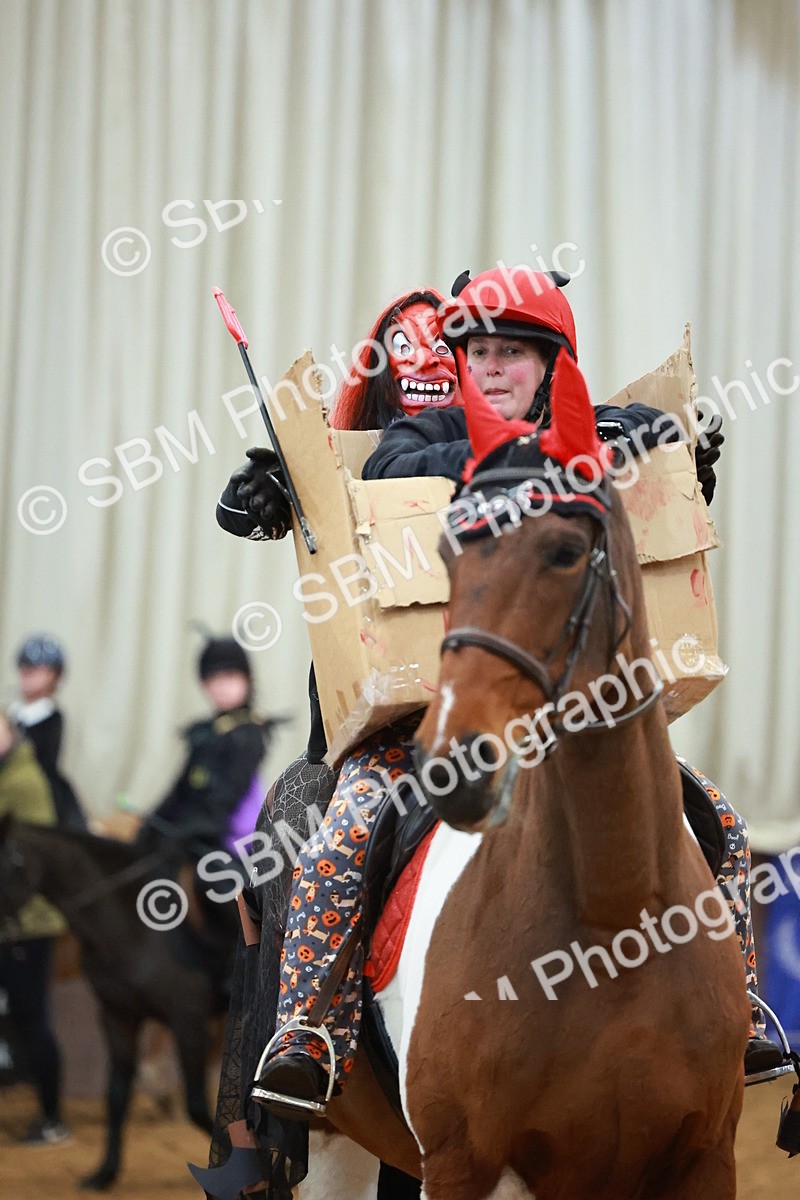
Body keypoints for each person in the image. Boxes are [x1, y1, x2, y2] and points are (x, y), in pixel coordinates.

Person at [250, 267, 778, 1122]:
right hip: (439, 716)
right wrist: (519, 456)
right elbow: (394, 462)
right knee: (347, 826)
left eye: (512, 354)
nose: (491, 369)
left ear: (554, 362)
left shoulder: (605, 426)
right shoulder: (422, 435)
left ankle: (740, 1009)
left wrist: (673, 445)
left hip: (580, 719)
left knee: (716, 815)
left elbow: (652, 429)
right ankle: (309, 1023)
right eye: (478, 353)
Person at [203, 290, 459, 1199]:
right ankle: (304, 1040)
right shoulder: (350, 461)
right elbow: (257, 510)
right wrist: (272, 487)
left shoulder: (518, 455)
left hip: (510, 722)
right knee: (309, 826)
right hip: (379, 741)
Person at [137, 635, 276, 869]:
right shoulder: (204, 733)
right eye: (213, 679)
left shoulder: (250, 733)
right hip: (197, 829)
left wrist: (189, 831)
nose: (221, 687)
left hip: (235, 839)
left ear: (247, 679)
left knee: (211, 883)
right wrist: (155, 822)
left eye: (229, 677)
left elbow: (227, 796)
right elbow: (182, 788)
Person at [0, 710, 70, 1145]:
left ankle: (52, 1118)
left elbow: (36, 853)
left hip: (25, 923)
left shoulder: (24, 781)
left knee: (32, 1019)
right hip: (8, 921)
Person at [8, 635, 86, 831]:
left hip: (39, 786)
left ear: (54, 676)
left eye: (36, 671)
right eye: (24, 670)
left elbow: (45, 760)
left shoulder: (51, 716)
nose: (27, 675)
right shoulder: (10, 714)